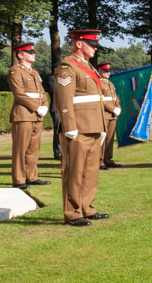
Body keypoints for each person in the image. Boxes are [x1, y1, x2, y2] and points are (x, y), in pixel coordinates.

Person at [53, 29, 109, 226]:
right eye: (91, 44)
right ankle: (72, 212)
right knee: (74, 171)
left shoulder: (88, 67)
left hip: (93, 125)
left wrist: (102, 126)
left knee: (90, 170)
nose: (95, 48)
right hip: (77, 127)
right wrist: (69, 124)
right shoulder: (67, 66)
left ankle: (87, 207)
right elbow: (64, 98)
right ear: (78, 44)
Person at [7, 41, 50, 189]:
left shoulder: (35, 72)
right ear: (20, 55)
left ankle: (31, 176)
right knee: (21, 148)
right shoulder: (15, 71)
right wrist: (37, 106)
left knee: (33, 148)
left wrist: (45, 105)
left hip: (37, 114)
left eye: (33, 52)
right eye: (30, 52)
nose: (33, 54)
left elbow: (42, 91)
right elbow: (19, 94)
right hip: (24, 114)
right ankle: (19, 179)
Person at [96, 62, 122, 170]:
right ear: (100, 71)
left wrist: (118, 107)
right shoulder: (98, 83)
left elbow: (115, 98)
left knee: (110, 138)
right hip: (104, 114)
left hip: (112, 115)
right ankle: (100, 161)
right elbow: (101, 100)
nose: (108, 73)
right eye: (106, 71)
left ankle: (108, 159)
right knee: (102, 138)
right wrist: (112, 109)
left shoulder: (110, 83)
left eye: (109, 71)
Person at [46, 63, 62, 160]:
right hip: (56, 108)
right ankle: (57, 152)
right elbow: (54, 92)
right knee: (58, 130)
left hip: (64, 108)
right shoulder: (52, 79)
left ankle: (62, 151)